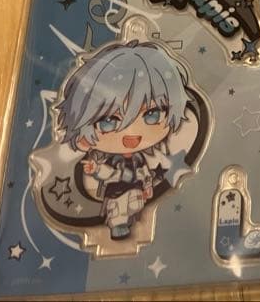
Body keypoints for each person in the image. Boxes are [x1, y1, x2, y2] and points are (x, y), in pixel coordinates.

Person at [55, 41, 192, 240]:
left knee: (134, 205)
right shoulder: (112, 159)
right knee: (117, 212)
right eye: (109, 121)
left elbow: (144, 172)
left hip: (134, 192)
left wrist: (147, 186)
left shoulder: (139, 159)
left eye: (152, 114)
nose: (131, 135)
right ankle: (119, 226)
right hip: (116, 193)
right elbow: (108, 174)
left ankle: (129, 220)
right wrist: (96, 169)